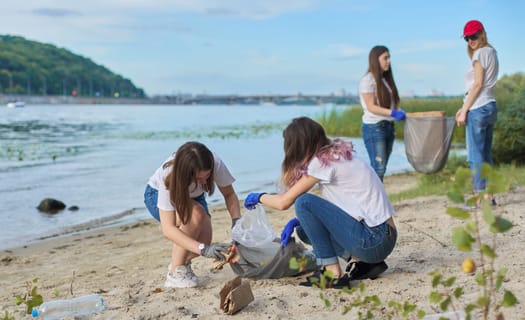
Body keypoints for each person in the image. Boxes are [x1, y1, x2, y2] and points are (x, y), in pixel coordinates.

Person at [244, 117, 397, 289]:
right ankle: (364, 263)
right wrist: (301, 221)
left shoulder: (322, 161)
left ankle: (331, 273)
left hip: (374, 239)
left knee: (303, 202)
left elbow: (284, 202)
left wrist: (258, 197)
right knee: (304, 230)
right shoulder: (336, 153)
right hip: (382, 236)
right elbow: (345, 208)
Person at [144, 141, 241, 288]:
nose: (203, 182)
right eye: (197, 179)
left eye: (207, 176)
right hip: (157, 194)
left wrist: (236, 222)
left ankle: (181, 264)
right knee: (196, 216)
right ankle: (176, 273)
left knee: (204, 240)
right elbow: (168, 229)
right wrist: (204, 250)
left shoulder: (214, 162)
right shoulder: (169, 174)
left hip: (194, 197)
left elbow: (229, 194)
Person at [455, 20, 499, 202]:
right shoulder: (492, 52)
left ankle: (478, 196)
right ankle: (489, 195)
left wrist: (465, 110)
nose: (470, 41)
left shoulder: (480, 54)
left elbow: (478, 84)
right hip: (490, 106)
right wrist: (464, 107)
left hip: (478, 108)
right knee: (485, 154)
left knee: (475, 156)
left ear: (482, 33)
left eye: (474, 36)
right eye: (467, 38)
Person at [359, 45, 406, 182]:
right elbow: (371, 107)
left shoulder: (385, 80)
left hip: (388, 127)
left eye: (389, 57)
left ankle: (376, 199)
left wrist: (398, 111)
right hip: (374, 127)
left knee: (382, 168)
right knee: (378, 168)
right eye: (385, 58)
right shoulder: (367, 80)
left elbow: (392, 102)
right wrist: (393, 113)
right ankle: (372, 200)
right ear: (375, 60)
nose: (388, 61)